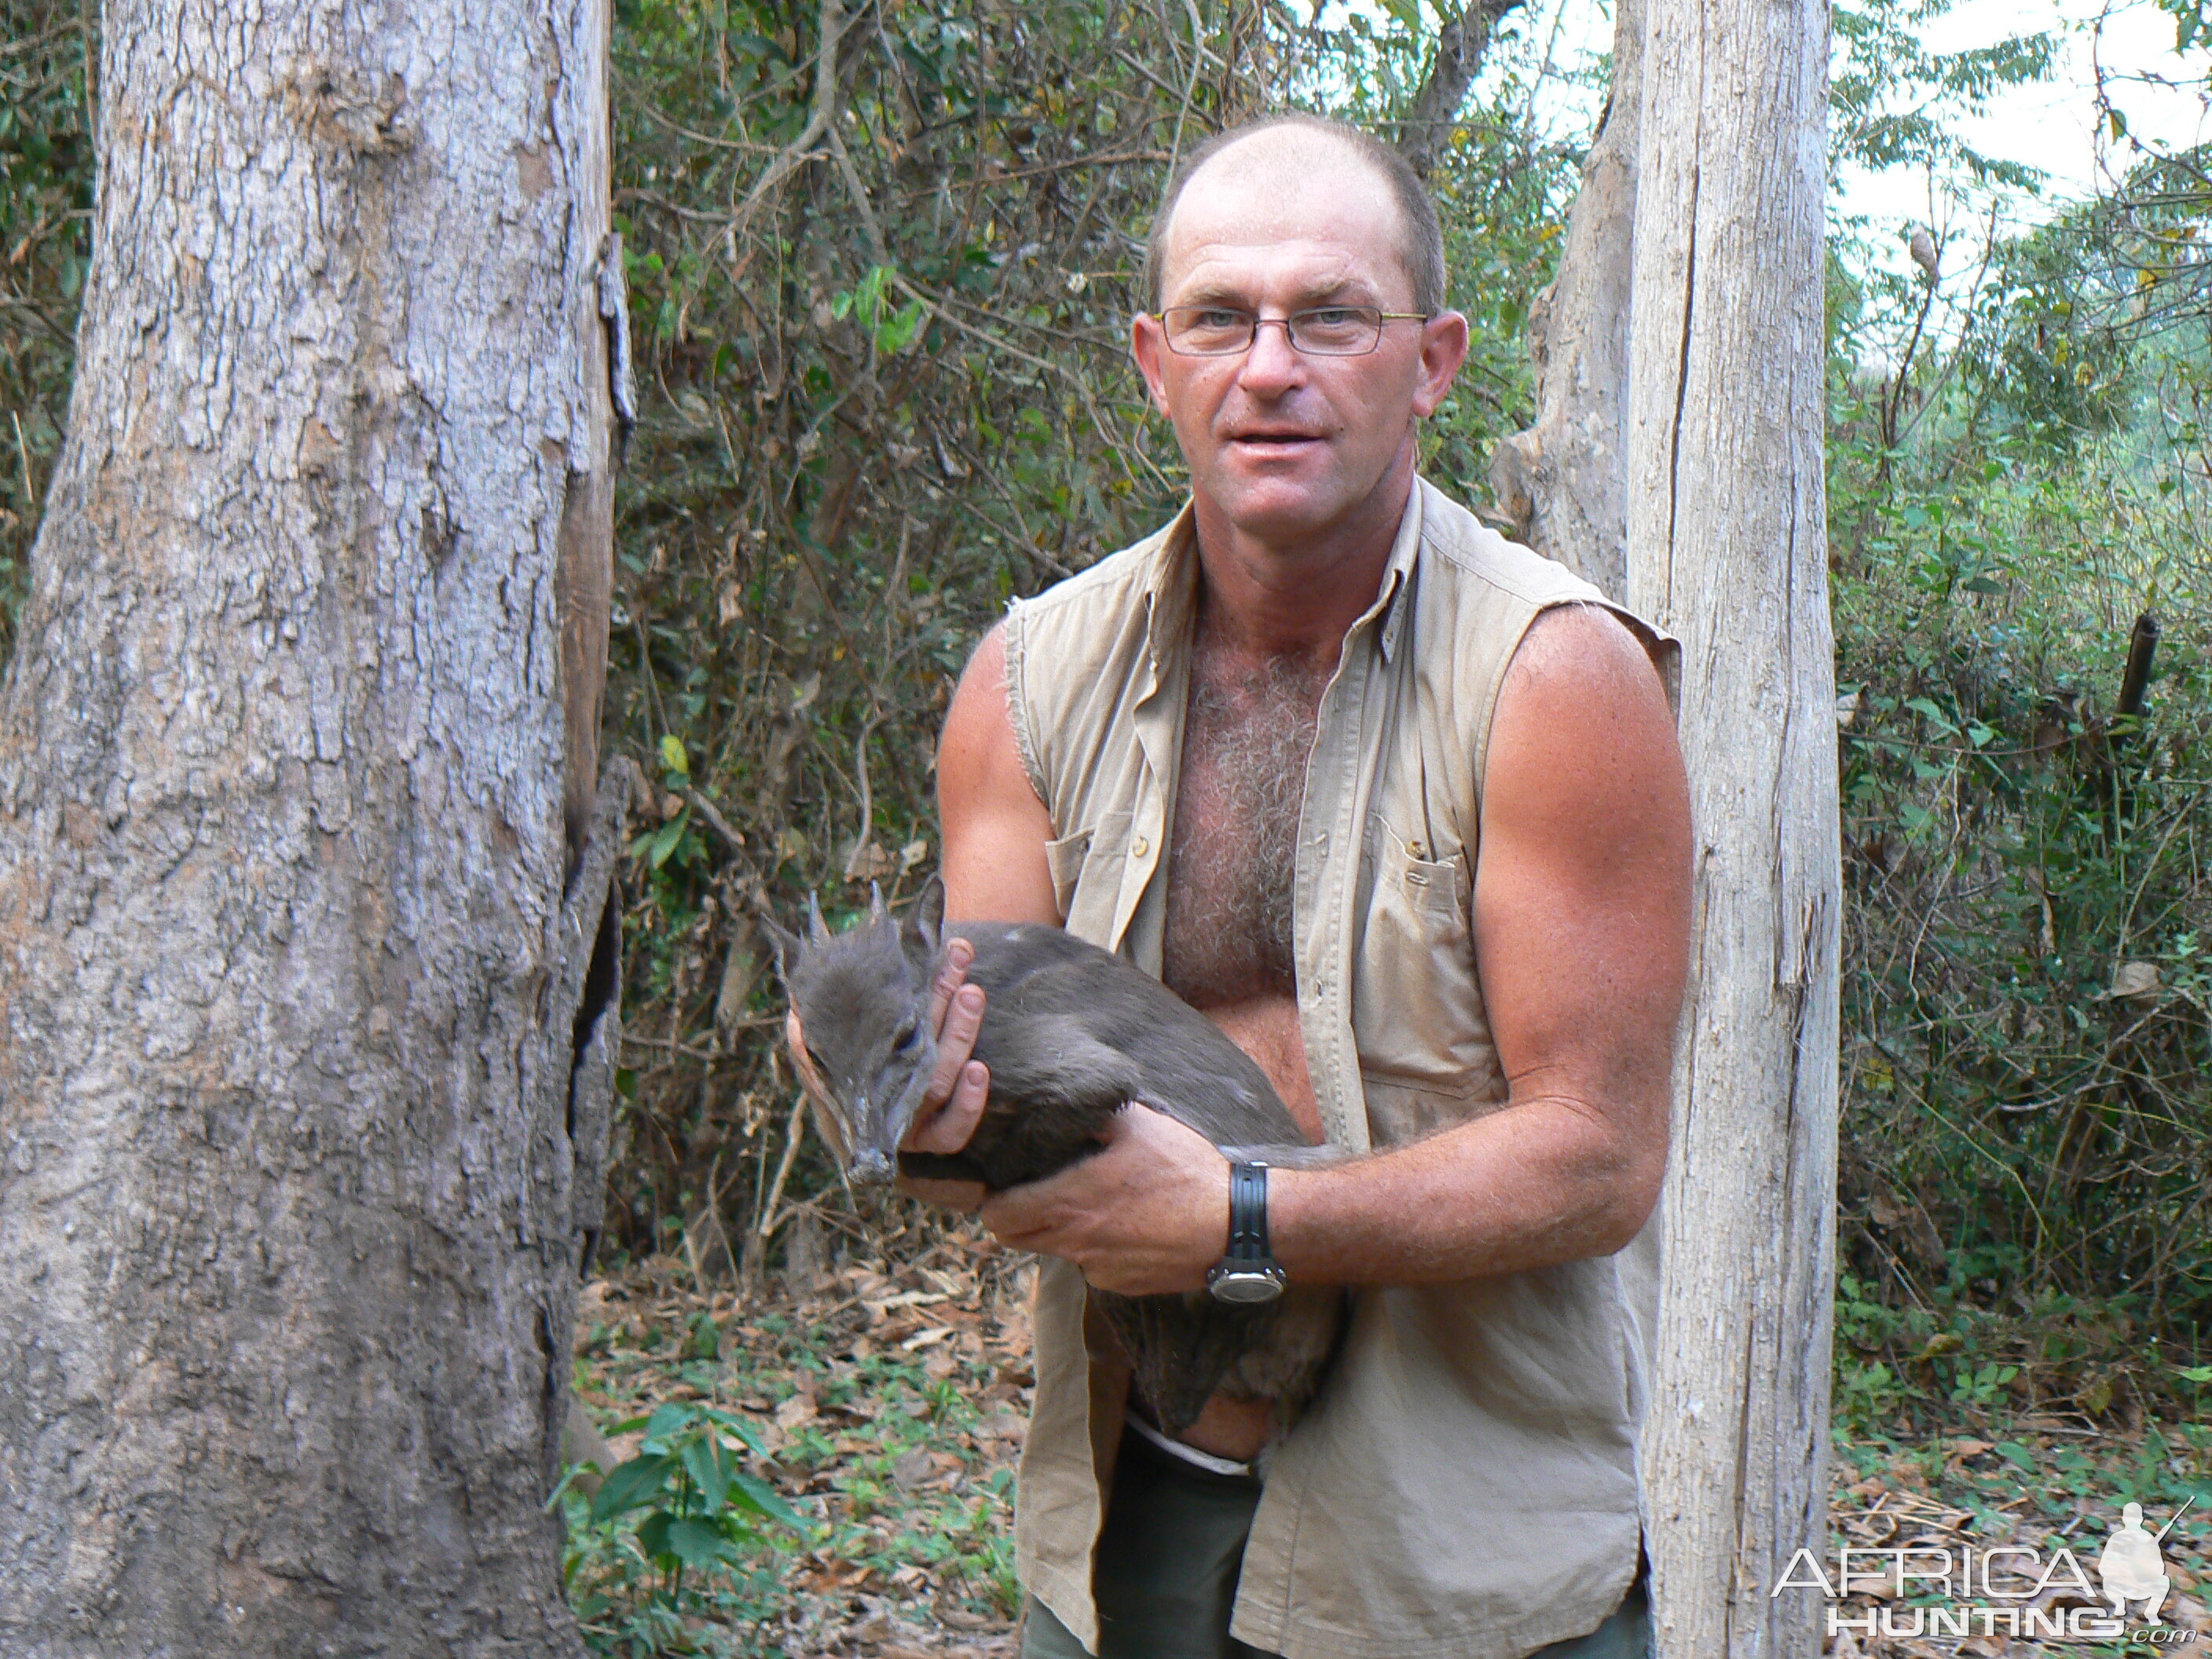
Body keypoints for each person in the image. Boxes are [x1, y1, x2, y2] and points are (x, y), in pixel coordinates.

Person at [798, 113, 1691, 1659]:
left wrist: (1238, 1213)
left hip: (1459, 1568)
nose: (1269, 366)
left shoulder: (1556, 683)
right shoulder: (1023, 685)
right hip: (1123, 1521)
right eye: (1221, 317)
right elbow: (961, 1139)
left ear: (1432, 360)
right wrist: (885, 1093)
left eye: (1332, 314)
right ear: (1154, 362)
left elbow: (1597, 1162)